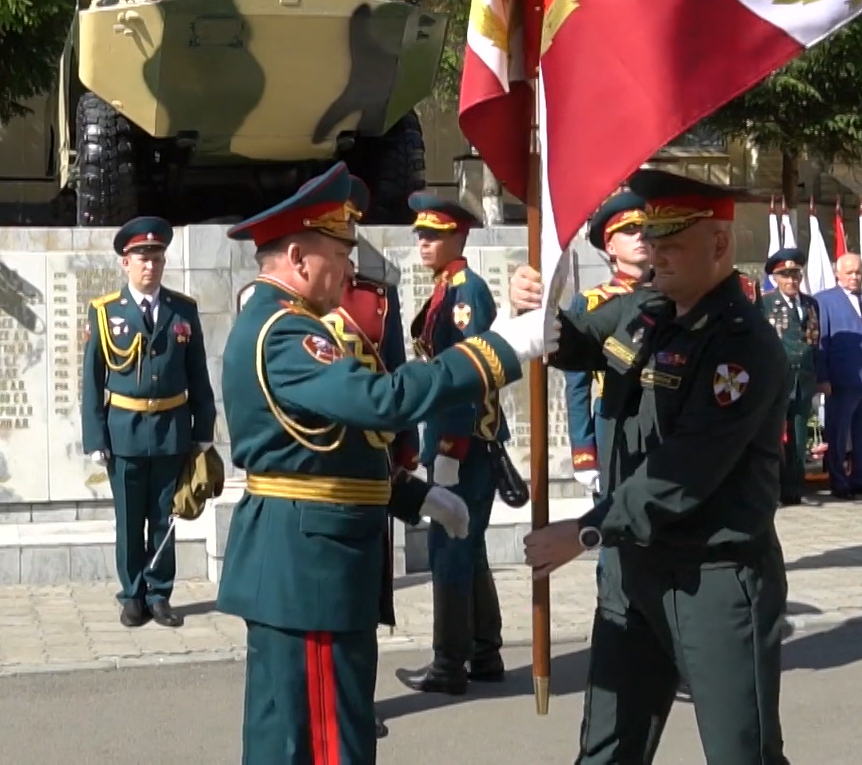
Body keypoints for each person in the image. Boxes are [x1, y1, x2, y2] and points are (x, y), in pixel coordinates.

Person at [216, 162, 553, 765]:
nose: (349, 269)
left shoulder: (285, 326)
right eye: (339, 253)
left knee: (315, 738)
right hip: (309, 574)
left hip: (311, 568)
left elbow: (324, 449)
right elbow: (382, 402)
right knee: (323, 746)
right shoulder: (286, 333)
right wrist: (499, 348)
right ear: (298, 257)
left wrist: (412, 495)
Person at [518, 168, 793, 765]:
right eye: (652, 238)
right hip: (631, 571)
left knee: (741, 753)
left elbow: (684, 470)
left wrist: (585, 530)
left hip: (711, 578)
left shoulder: (742, 345)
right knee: (606, 751)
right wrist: (537, 313)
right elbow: (573, 342)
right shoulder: (642, 307)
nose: (655, 254)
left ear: (719, 246)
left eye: (671, 242)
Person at [317, 175, 471, 740]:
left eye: (350, 226)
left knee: (369, 593)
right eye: (337, 226)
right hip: (325, 471)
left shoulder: (378, 294)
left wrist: (406, 455)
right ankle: (335, 699)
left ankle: (362, 696)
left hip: (376, 466)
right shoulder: (300, 301)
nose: (346, 235)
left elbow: (398, 374)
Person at [396, 191, 508, 696]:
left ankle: (448, 665)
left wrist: (451, 449)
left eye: (433, 235)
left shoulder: (466, 294)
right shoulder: (447, 288)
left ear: (458, 237)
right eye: (420, 234)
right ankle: (484, 652)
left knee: (449, 548)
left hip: (460, 442)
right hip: (450, 437)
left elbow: (472, 374)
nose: (423, 242)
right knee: (468, 544)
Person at [81, 216, 217, 628]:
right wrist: (95, 438)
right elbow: (92, 379)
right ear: (125, 263)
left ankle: (160, 593)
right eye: (141, 258)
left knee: (165, 517)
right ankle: (132, 595)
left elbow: (198, 375)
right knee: (128, 520)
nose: (150, 265)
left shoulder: (183, 310)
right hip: (124, 432)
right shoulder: (105, 312)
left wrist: (203, 434)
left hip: (172, 431)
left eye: (156, 257)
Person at [565, 190, 653, 496]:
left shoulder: (673, 297)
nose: (640, 236)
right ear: (611, 246)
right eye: (629, 231)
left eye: (645, 230)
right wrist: (584, 453)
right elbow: (576, 386)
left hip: (662, 413)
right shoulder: (591, 304)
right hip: (614, 416)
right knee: (614, 524)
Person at [814, 252, 862, 500]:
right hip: (842, 379)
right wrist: (823, 378)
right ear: (838, 274)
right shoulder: (824, 301)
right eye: (849, 272)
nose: (854, 277)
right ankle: (839, 482)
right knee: (838, 432)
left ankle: (861, 478)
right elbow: (820, 342)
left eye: (858, 272)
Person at [759, 247, 829, 506]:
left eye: (795, 275)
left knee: (799, 438)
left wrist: (819, 376)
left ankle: (795, 491)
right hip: (776, 381)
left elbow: (815, 342)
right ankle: (772, 492)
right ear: (776, 278)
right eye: (785, 276)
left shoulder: (810, 304)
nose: (791, 281)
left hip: (804, 380)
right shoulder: (765, 303)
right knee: (773, 439)